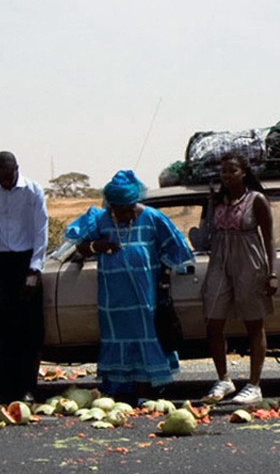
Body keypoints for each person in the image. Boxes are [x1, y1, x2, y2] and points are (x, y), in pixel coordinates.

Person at [65, 170, 193, 401]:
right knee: (117, 338)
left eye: (129, 209)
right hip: (113, 299)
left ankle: (145, 392)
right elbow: (81, 247)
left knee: (143, 335)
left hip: (144, 296)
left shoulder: (152, 217)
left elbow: (174, 248)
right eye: (120, 210)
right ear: (111, 206)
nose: (126, 214)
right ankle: (119, 392)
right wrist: (99, 246)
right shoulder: (100, 220)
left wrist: (165, 277)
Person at [0, 151, 49, 403]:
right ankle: (5, 387)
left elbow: (41, 229)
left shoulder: (33, 190)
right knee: (4, 330)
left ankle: (27, 387)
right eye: (0, 178)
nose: (5, 182)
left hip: (26, 262)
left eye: (9, 176)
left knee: (29, 330)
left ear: (17, 168)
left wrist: (35, 269)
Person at [201, 153, 276, 404]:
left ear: (244, 172)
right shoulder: (217, 200)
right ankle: (223, 379)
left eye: (232, 170)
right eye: (223, 171)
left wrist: (272, 272)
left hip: (249, 261)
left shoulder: (256, 200)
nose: (226, 175)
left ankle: (254, 384)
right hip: (220, 261)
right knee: (213, 320)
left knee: (253, 323)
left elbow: (269, 237)